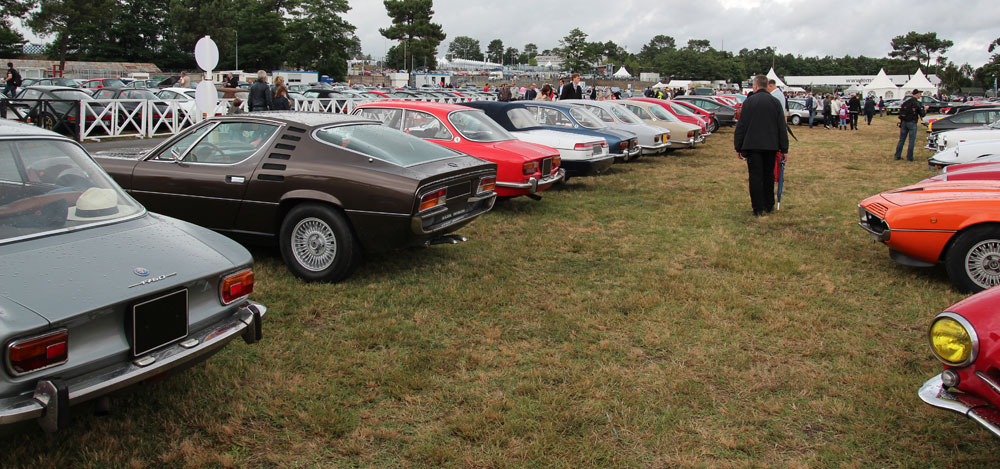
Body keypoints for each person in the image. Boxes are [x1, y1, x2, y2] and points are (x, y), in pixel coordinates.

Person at [734, 75, 788, 217]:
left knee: (755, 177)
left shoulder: (749, 102)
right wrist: (784, 149)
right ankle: (768, 204)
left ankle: (757, 208)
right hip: (771, 146)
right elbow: (781, 127)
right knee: (769, 175)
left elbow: (742, 125)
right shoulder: (775, 102)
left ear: (756, 86)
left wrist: (738, 146)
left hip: (753, 146)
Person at [894, 89, 928, 161]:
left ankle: (897, 155)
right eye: (919, 94)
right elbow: (922, 114)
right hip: (912, 122)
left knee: (901, 140)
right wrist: (925, 109)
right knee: (911, 141)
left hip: (903, 122)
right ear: (917, 94)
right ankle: (909, 157)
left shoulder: (906, 102)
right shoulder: (916, 103)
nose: (920, 95)